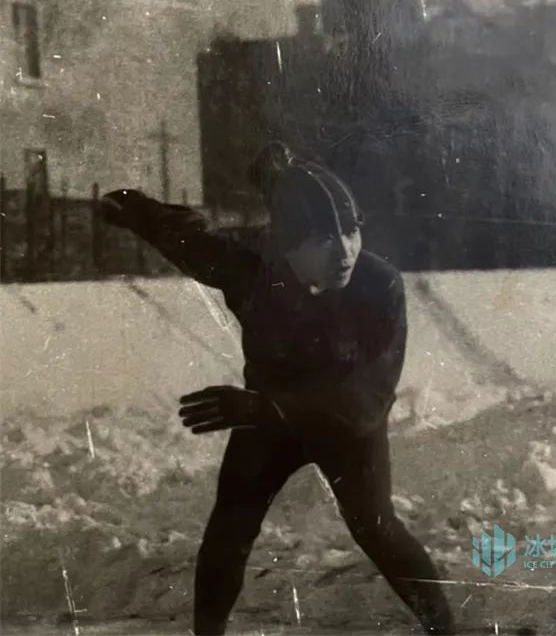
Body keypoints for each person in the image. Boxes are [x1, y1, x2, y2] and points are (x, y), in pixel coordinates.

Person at [100, 142, 455, 636]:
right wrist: (134, 209)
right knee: (229, 529)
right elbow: (189, 238)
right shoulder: (250, 267)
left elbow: (367, 399)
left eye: (352, 230)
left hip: (342, 424)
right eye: (325, 239)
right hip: (265, 417)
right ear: (288, 246)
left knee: (376, 528)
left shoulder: (380, 286)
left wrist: (266, 408)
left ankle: (446, 631)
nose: (346, 251)